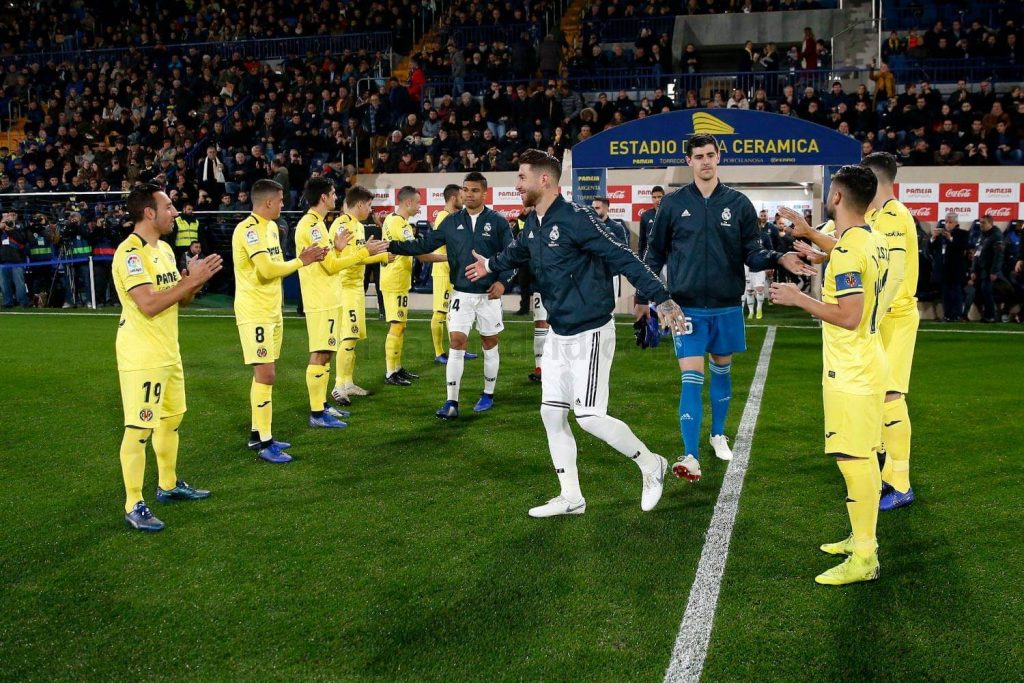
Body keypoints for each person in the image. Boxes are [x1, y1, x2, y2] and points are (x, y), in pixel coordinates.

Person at [466, 149, 689, 517]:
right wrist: (490, 264)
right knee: (552, 414)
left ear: (543, 180)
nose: (516, 185)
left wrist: (661, 299)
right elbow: (517, 252)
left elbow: (622, 256)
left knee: (589, 417)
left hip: (591, 332)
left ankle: (652, 465)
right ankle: (571, 497)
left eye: (521, 177)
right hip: (559, 333)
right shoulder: (533, 222)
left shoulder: (576, 218)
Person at [639, 134, 814, 479]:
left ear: (719, 157)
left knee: (722, 369)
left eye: (710, 155)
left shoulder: (739, 203)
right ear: (688, 161)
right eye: (699, 156)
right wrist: (655, 298)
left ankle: (718, 434)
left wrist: (781, 257)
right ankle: (690, 456)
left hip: (726, 305)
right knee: (691, 378)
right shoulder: (672, 205)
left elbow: (752, 253)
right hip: (685, 307)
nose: (705, 161)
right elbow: (653, 255)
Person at [768, 165, 890, 586]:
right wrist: (809, 234)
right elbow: (841, 246)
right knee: (865, 457)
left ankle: (864, 557)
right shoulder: (868, 238)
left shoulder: (850, 252)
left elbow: (849, 316)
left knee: (852, 459)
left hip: (852, 371)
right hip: (871, 363)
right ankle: (862, 538)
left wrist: (797, 298)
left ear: (836, 198)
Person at [782, 151, 920, 511]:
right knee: (875, 396)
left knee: (890, 395)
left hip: (892, 317)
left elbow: (888, 275)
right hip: (872, 318)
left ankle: (899, 480)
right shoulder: (868, 221)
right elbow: (848, 248)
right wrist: (816, 243)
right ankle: (872, 457)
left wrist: (868, 314)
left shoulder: (894, 217)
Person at [112, 183, 223, 532]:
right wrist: (187, 283)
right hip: (142, 355)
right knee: (140, 428)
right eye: (169, 206)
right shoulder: (130, 253)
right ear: (149, 212)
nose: (175, 212)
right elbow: (148, 304)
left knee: (172, 418)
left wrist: (193, 280)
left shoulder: (162, 250)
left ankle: (169, 484)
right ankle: (134, 503)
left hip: (168, 350)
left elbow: (179, 299)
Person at [388, 172, 515, 417]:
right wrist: (390, 245)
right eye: (465, 190)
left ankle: (488, 394)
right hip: (460, 294)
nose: (468, 194)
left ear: (484, 193)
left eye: (474, 190)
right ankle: (451, 402)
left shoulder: (498, 221)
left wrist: (502, 282)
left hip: (489, 296)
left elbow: (512, 255)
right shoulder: (450, 221)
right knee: (456, 343)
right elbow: (422, 246)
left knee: (489, 343)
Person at [233, 179, 328, 464]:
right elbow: (265, 270)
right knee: (267, 374)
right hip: (255, 312)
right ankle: (265, 441)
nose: (284, 204)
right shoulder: (248, 230)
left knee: (266, 373)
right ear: (269, 202)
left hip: (272, 311)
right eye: (281, 200)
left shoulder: (273, 228)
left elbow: (274, 267)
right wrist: (302, 261)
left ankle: (256, 433)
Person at [295, 177, 387, 428]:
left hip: (331, 293)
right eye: (333, 193)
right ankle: (318, 411)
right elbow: (333, 265)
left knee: (327, 352)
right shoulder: (313, 226)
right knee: (322, 353)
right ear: (323, 197)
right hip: (323, 295)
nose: (337, 197)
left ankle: (323, 406)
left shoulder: (320, 225)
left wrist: (339, 249)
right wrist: (364, 253)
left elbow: (331, 258)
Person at [330, 186, 393, 405]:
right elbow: (347, 258)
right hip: (345, 289)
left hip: (356, 288)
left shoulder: (357, 226)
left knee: (353, 337)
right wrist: (372, 253)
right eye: (369, 205)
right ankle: (338, 386)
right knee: (348, 336)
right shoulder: (342, 225)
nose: (370, 209)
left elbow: (360, 257)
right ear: (359, 205)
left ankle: (348, 382)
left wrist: (379, 256)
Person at [974, 216, 1004, 323]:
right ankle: (987, 315)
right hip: (982, 270)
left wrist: (994, 271)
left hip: (990, 270)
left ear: (990, 223)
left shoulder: (996, 236)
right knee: (982, 292)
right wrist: (973, 270)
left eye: (984, 223)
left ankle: (991, 316)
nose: (981, 225)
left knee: (987, 292)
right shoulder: (982, 236)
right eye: (980, 223)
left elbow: (998, 255)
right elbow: (977, 254)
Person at [0, 211, 30, 307]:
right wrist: (3, 222)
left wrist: (11, 229)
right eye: (8, 214)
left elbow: (22, 240)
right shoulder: (1, 230)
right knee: (4, 284)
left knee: (19, 283)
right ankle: (7, 303)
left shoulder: (20, 227)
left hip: (17, 260)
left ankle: (23, 302)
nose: (11, 216)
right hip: (2, 261)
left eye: (13, 214)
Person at [637, 186, 664, 257]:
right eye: (654, 197)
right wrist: (640, 257)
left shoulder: (670, 214)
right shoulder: (645, 216)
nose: (657, 200)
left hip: (667, 257)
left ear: (664, 197)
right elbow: (642, 240)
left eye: (659, 197)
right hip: (650, 257)